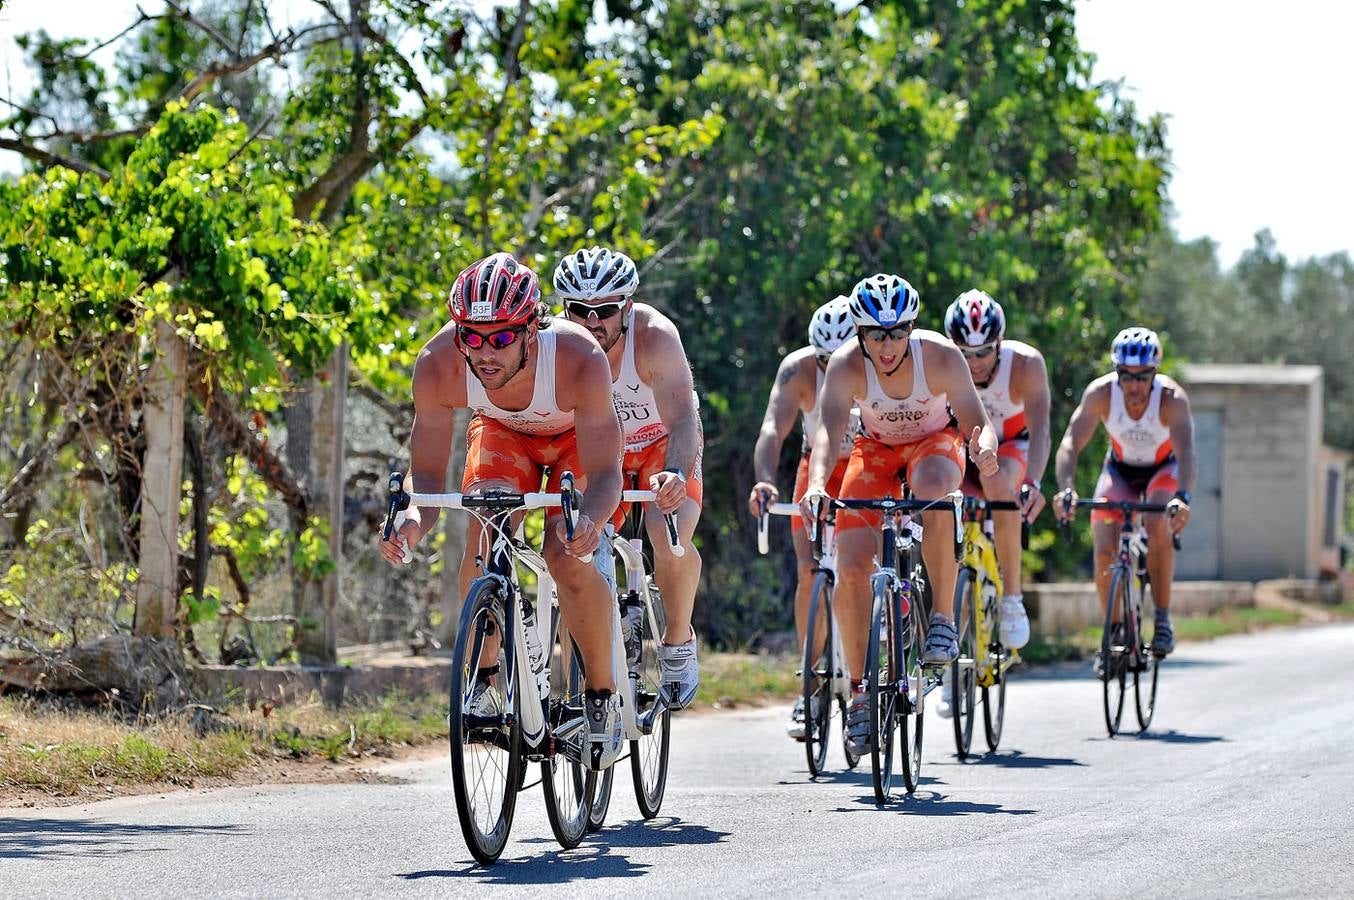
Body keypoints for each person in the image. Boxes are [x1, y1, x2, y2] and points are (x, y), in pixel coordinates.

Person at [378, 252, 626, 770]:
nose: (484, 353)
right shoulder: (438, 365)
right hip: (502, 434)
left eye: (501, 338)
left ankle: (601, 698)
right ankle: (487, 674)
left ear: (532, 330)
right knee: (485, 523)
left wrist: (592, 522)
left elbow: (606, 476)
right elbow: (426, 479)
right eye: (471, 336)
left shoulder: (579, 357)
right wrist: (411, 525)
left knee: (566, 554)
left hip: (573, 441)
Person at [800, 273, 999, 757]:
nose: (887, 346)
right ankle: (862, 688)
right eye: (876, 334)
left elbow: (978, 422)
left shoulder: (941, 357)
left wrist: (986, 449)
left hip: (935, 445)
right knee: (848, 563)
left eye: (897, 333)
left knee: (933, 490)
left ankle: (943, 619)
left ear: (911, 328)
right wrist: (817, 486)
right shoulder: (847, 365)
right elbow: (826, 435)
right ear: (860, 334)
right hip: (876, 452)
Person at [553, 246, 704, 709]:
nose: (591, 322)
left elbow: (681, 421)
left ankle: (677, 643)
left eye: (604, 311)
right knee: (573, 546)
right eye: (579, 310)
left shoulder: (656, 337)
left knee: (666, 530)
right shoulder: (556, 344)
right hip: (602, 452)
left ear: (628, 307)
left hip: (662, 444)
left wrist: (676, 474)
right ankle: (574, 681)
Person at [745, 295, 858, 739]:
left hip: (869, 462)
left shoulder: (877, 369)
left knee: (866, 560)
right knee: (809, 573)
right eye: (824, 359)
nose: (833, 369)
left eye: (841, 358)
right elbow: (773, 427)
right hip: (819, 468)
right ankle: (809, 689)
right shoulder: (797, 369)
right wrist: (765, 481)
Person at [1052, 326, 1196, 658]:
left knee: (1159, 522)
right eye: (1126, 376)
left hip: (1163, 470)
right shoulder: (1101, 394)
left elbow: (1187, 452)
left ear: (1154, 373)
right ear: (1116, 372)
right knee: (1103, 548)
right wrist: (1067, 489)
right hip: (1120, 470)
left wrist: (1183, 497)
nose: (1134, 386)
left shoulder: (1172, 399)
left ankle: (1161, 618)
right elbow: (1071, 444)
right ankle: (1115, 629)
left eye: (1142, 377)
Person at [942, 289, 1051, 649]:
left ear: (1000, 342)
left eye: (984, 352)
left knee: (998, 484)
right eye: (965, 353)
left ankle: (1013, 600)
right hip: (962, 448)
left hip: (1008, 449)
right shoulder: (938, 362)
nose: (974, 363)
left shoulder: (1026, 365)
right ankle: (946, 653)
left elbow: (1040, 432)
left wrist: (1033, 482)